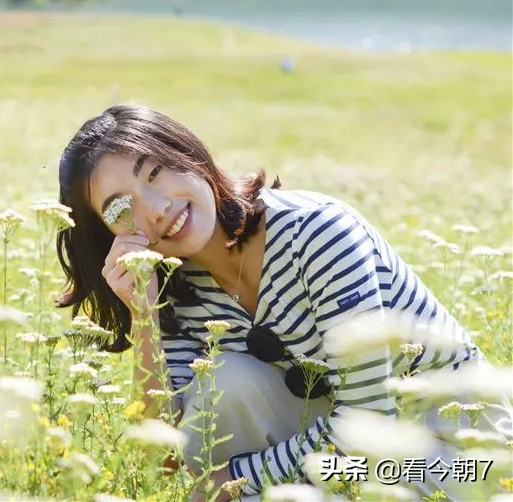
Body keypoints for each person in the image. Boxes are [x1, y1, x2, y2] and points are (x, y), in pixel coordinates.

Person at [54, 103, 510, 501]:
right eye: (120, 209)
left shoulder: (315, 232)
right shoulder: (175, 284)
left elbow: (369, 419)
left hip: (459, 450)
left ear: (189, 155)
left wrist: (236, 478)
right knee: (225, 385)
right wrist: (145, 316)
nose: (154, 208)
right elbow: (162, 459)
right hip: (342, 458)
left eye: (155, 172)